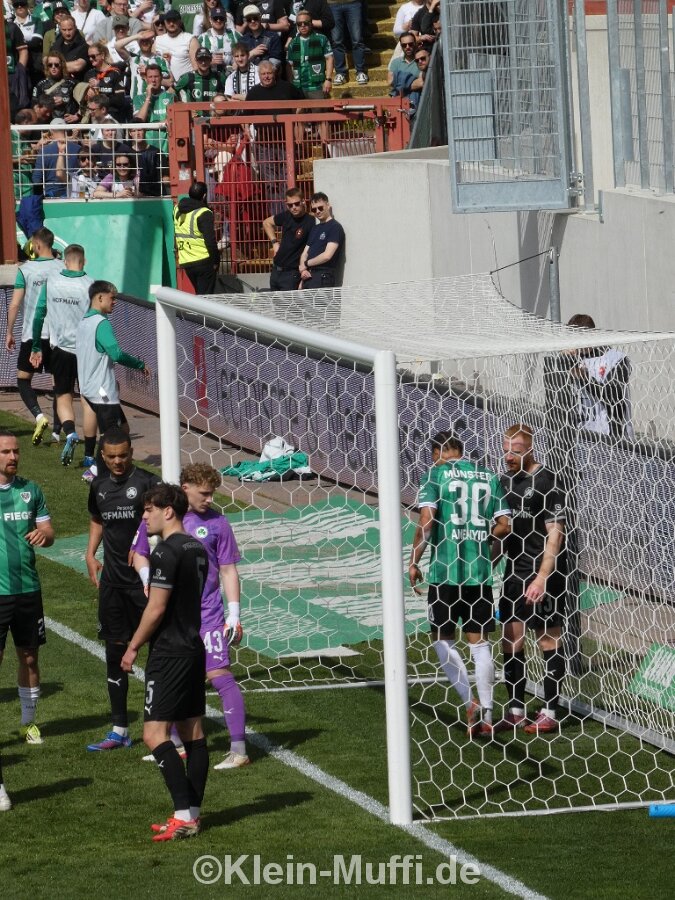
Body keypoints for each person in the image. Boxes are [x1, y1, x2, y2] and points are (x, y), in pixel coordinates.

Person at [132, 463, 249, 770]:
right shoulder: (161, 515)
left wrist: (233, 614)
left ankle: (239, 749)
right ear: (186, 489)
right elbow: (138, 553)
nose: (210, 499)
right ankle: (175, 743)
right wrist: (147, 579)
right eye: (204, 493)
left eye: (212, 494)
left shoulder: (218, 523)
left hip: (208, 614)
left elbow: (227, 569)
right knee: (176, 677)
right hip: (174, 619)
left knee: (219, 676)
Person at [121, 484, 209, 841]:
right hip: (193, 648)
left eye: (149, 510)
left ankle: (182, 814)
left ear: (168, 510)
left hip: (169, 652)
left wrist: (133, 646)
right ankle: (193, 816)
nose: (144, 516)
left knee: (153, 734)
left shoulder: (166, 552)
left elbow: (156, 608)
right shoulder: (197, 548)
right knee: (193, 732)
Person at [409, 431, 510, 737]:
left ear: (436, 452)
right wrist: (482, 542)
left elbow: (427, 523)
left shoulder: (435, 475)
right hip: (478, 574)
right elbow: (505, 525)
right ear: (461, 450)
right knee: (480, 644)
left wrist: (414, 561)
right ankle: (489, 714)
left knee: (443, 640)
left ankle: (470, 702)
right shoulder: (488, 476)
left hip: (445, 574)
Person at [85, 429, 161, 751]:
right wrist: (90, 552)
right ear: (103, 456)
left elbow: (165, 521)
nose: (118, 461)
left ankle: (161, 727)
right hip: (113, 584)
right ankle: (119, 729)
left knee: (158, 652)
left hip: (145, 584)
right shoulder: (99, 485)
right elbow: (97, 519)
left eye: (124, 455)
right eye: (112, 457)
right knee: (115, 653)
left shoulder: (147, 483)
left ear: (132, 452)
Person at [493, 424, 568, 736]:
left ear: (531, 450)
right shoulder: (503, 482)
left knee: (547, 639)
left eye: (516, 451)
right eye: (506, 450)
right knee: (510, 639)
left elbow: (556, 535)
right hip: (514, 571)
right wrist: (485, 566)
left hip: (544, 573)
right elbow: (503, 533)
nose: (509, 456)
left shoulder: (548, 480)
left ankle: (549, 711)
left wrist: (541, 578)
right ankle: (516, 711)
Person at [0, 429, 55, 746]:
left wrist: (43, 535)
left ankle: (28, 722)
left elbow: (48, 532)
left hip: (28, 590)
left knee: (30, 657)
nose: (13, 457)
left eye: (16, 451)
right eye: (6, 452)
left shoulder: (31, 490)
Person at [29, 244, 93, 467]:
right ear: (83, 261)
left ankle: (70, 432)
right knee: (87, 399)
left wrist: (36, 345)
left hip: (61, 350)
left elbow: (39, 313)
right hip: (86, 351)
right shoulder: (91, 284)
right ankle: (89, 454)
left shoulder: (53, 282)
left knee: (63, 396)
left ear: (65, 261)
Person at [75, 280, 150, 451]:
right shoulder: (101, 324)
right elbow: (116, 354)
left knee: (123, 429)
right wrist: (139, 364)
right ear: (100, 298)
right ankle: (98, 465)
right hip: (102, 391)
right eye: (112, 298)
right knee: (111, 438)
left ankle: (90, 459)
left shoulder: (83, 322)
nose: (115, 302)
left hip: (88, 388)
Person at [5, 227, 62, 445]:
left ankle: (39, 416)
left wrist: (9, 331)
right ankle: (58, 432)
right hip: (58, 335)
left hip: (33, 334)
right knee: (59, 384)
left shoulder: (26, 270)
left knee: (23, 379)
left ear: (37, 245)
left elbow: (15, 304)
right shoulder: (62, 267)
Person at [565, 314, 634, 442]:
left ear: (593, 335)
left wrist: (584, 377)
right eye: (572, 339)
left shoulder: (616, 359)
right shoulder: (572, 361)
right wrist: (564, 360)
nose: (576, 344)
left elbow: (613, 397)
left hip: (614, 437)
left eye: (579, 338)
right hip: (581, 436)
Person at [173, 181, 220, 295]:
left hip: (186, 261)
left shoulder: (177, 209)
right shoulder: (204, 213)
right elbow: (210, 241)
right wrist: (216, 261)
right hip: (203, 260)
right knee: (205, 297)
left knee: (200, 294)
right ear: (204, 196)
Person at [263, 187, 314, 291]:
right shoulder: (286, 216)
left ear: (303, 202)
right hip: (276, 271)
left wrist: (303, 276)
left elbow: (312, 249)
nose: (293, 207)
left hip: (292, 274)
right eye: (290, 205)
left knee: (289, 302)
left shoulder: (310, 221)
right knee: (275, 301)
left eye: (296, 204)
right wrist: (274, 243)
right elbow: (266, 222)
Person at [298, 191, 345, 289]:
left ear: (327, 206)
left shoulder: (335, 227)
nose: (317, 211)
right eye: (314, 209)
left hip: (323, 277)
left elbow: (327, 256)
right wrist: (303, 271)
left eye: (320, 208)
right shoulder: (315, 228)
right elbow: (305, 253)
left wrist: (306, 264)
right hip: (308, 277)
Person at [286, 11, 333, 98]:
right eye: (299, 24)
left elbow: (329, 58)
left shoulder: (322, 39)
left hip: (317, 86)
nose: (303, 25)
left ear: (311, 23)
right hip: (298, 87)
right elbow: (289, 65)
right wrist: (291, 84)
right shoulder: (292, 43)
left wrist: (328, 79)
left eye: (306, 23)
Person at [32, 118, 81, 197]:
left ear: (51, 131)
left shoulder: (45, 150)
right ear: (66, 130)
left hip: (51, 194)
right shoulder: (77, 148)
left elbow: (36, 179)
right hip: (73, 193)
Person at [132, 61, 174, 153]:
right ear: (146, 79)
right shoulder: (138, 98)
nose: (153, 80)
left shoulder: (170, 97)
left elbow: (170, 121)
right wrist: (148, 98)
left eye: (156, 76)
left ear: (161, 78)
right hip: (145, 149)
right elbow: (139, 121)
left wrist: (146, 126)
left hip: (166, 148)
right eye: (150, 77)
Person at [153, 8, 198, 81]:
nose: (171, 24)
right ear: (164, 22)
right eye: (168, 21)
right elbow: (152, 64)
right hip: (163, 84)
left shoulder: (190, 39)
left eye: (174, 20)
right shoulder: (158, 40)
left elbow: (196, 67)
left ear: (180, 22)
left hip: (185, 84)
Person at [330, 0, 368, 85]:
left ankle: (360, 71)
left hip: (353, 2)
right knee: (336, 40)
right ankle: (340, 72)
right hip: (332, 4)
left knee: (357, 39)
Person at [197, 5, 238, 70]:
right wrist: (209, 62)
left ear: (225, 20)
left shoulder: (235, 34)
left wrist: (237, 62)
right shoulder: (202, 38)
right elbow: (195, 61)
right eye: (215, 18)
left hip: (232, 73)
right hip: (210, 74)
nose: (218, 21)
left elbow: (246, 53)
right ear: (210, 20)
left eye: (221, 18)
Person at [51, 15, 90, 81]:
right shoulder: (55, 46)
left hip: (77, 82)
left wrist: (55, 66)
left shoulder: (83, 46)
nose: (67, 33)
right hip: (58, 81)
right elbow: (47, 64)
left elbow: (77, 66)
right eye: (64, 30)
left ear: (75, 28)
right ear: (60, 29)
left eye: (70, 29)